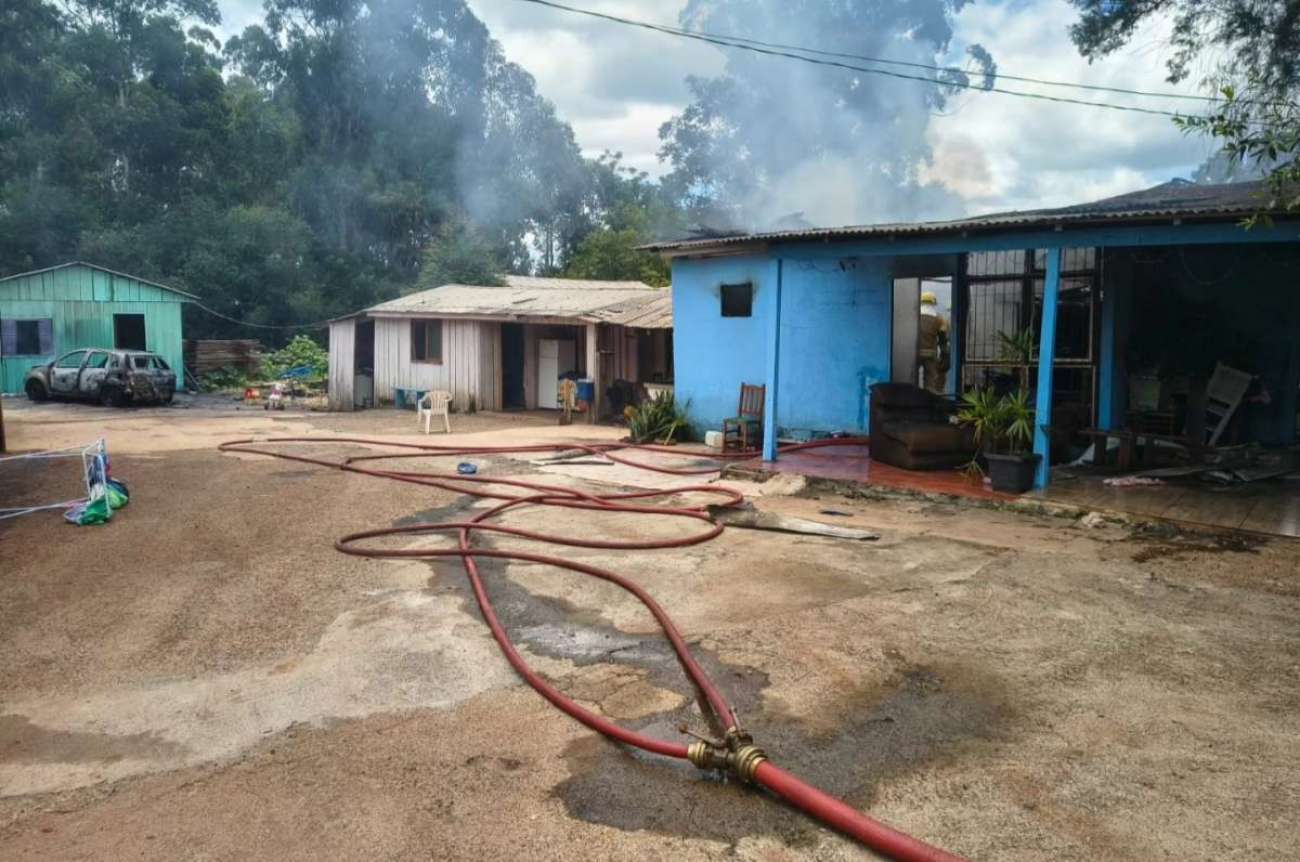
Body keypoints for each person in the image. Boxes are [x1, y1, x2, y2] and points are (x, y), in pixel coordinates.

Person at [917, 291, 950, 394]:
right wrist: (945, 355)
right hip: (931, 354)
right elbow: (942, 340)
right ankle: (929, 404)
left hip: (915, 353)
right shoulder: (940, 319)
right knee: (930, 383)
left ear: (921, 301)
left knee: (912, 379)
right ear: (934, 303)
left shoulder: (914, 316)